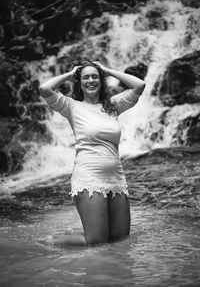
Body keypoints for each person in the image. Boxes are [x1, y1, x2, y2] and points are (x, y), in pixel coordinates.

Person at [39, 61, 145, 246]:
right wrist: (70, 73)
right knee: (96, 241)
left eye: (95, 76)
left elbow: (139, 85)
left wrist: (108, 71)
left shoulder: (112, 105)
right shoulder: (71, 106)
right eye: (85, 77)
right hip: (89, 177)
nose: (91, 80)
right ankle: (49, 241)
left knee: (120, 238)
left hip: (116, 178)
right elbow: (45, 88)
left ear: (101, 81)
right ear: (79, 83)